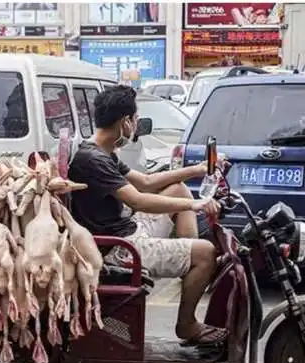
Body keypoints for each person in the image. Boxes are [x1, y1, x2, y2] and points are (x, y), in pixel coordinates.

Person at [67, 85, 228, 346]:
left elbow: (146, 181)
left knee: (178, 191)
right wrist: (195, 206)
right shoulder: (92, 160)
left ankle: (187, 262)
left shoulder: (101, 153)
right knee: (207, 253)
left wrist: (196, 170)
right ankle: (186, 324)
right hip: (118, 249)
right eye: (135, 119)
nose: (136, 124)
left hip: (127, 232)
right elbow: (138, 200)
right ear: (125, 122)